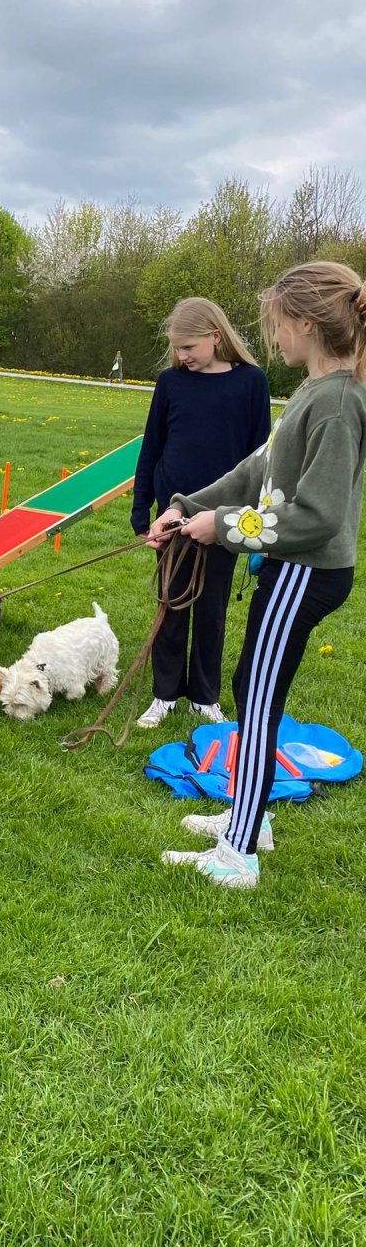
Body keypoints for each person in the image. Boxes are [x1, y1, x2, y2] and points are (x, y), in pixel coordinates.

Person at [149, 261, 366, 889]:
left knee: (257, 694)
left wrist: (226, 528)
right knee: (252, 688)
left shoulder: (339, 402)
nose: (272, 338)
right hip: (288, 567)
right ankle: (252, 821)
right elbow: (258, 471)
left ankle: (238, 854)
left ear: (304, 323)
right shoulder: (314, 392)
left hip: (306, 571)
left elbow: (319, 517)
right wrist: (190, 506)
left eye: (276, 324)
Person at [132, 297, 271, 728]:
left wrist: (254, 518)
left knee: (211, 607)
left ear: (215, 336)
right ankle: (165, 693)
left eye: (189, 346)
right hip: (170, 515)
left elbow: (261, 455)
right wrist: (142, 510)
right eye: (176, 348)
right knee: (171, 603)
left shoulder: (251, 382)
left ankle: (204, 696)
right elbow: (151, 447)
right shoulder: (170, 383)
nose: (181, 356)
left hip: (224, 518)